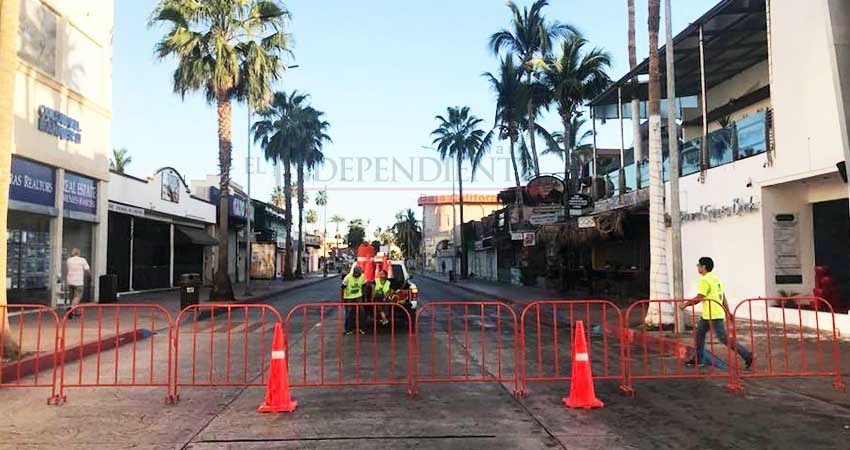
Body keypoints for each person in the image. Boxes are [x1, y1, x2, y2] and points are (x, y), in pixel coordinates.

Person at [680, 257, 754, 369]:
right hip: (709, 315)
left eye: (698, 265)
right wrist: (728, 312)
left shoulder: (705, 280)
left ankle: (747, 355)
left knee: (723, 338)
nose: (697, 267)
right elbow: (723, 296)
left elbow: (700, 297)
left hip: (713, 315)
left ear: (703, 267)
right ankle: (699, 359)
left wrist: (685, 304)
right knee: (699, 335)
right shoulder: (715, 279)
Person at [341, 265, 367, 335]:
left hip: (358, 295)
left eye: (358, 274)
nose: (357, 276)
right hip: (348, 297)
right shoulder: (348, 277)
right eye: (356, 274)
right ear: (353, 272)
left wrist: (365, 297)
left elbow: (364, 286)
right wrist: (342, 299)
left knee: (361, 312)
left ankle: (362, 328)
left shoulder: (362, 276)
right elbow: (342, 288)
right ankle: (348, 329)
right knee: (349, 312)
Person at [65, 248, 90, 318]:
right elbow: (87, 270)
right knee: (78, 296)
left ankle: (75, 312)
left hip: (70, 280)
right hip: (78, 281)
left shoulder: (69, 260)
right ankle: (71, 308)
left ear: (72, 253)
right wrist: (89, 276)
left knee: (72, 297)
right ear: (79, 253)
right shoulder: (82, 260)